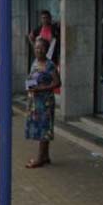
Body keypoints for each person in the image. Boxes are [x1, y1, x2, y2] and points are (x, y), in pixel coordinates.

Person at [25, 37, 61, 168]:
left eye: (41, 48)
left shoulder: (50, 65)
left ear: (46, 50)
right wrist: (29, 86)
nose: (38, 50)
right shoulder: (34, 62)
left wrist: (42, 88)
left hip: (45, 102)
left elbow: (57, 82)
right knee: (40, 127)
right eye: (36, 48)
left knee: (43, 129)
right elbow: (32, 77)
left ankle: (40, 158)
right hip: (34, 101)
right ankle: (45, 156)